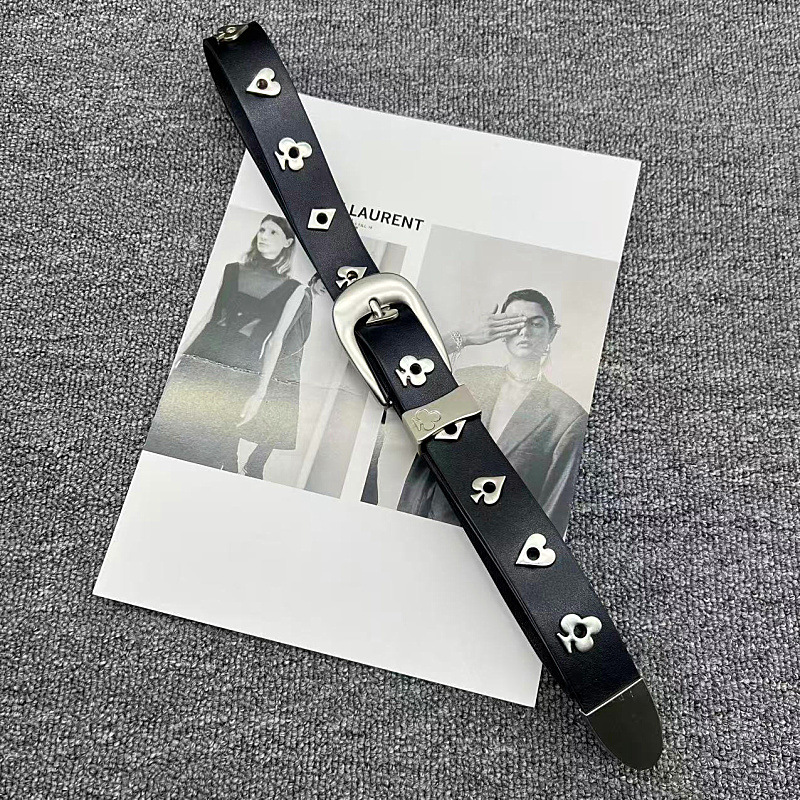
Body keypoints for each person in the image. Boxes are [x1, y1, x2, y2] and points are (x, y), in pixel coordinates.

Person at [397, 288, 587, 535]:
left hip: (498, 540)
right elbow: (404, 373)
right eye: (513, 322)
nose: (524, 331)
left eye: (536, 324)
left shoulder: (568, 417)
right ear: (500, 331)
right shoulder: (466, 381)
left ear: (552, 333)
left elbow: (553, 509)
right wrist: (463, 337)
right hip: (430, 525)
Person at [145, 214, 313, 477]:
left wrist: (259, 394)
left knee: (208, 448)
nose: (264, 236)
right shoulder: (232, 270)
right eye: (262, 230)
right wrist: (176, 358)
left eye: (273, 232)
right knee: (165, 433)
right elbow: (207, 318)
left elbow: (276, 341)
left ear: (288, 243)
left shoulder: (296, 290)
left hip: (238, 373)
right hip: (199, 359)